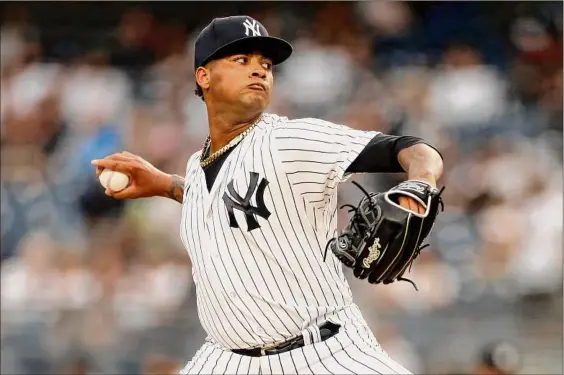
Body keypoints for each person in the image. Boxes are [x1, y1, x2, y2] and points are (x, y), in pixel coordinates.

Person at [92, 15, 444, 375]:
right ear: (204, 76)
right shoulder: (198, 166)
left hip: (323, 355)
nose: (259, 71)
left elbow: (414, 150)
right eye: (241, 61)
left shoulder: (288, 142)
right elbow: (227, 205)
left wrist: (421, 185)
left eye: (266, 64)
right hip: (225, 360)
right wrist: (166, 184)